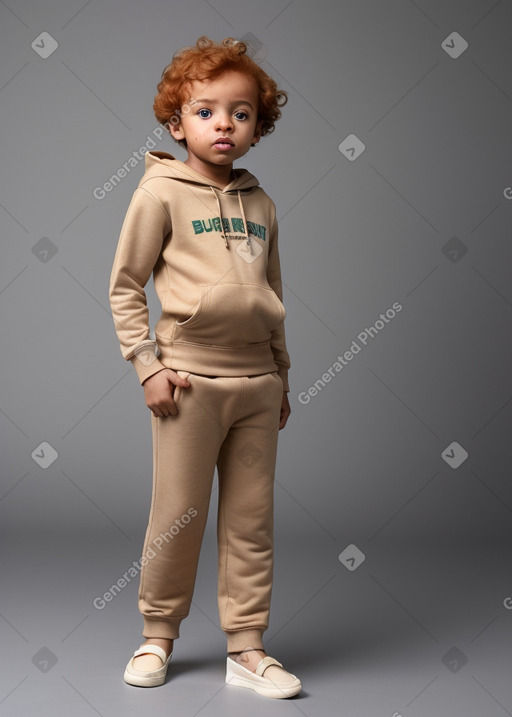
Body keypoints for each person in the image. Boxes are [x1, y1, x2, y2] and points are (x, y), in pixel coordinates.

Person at [109, 35, 301, 699]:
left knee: (252, 520)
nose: (225, 124)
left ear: (257, 127)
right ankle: (157, 635)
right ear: (176, 123)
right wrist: (147, 365)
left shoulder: (263, 206)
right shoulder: (159, 194)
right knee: (178, 514)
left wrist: (282, 374)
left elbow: (272, 300)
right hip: (187, 382)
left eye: (241, 113)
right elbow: (124, 286)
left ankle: (246, 647)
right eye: (206, 111)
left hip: (257, 386)